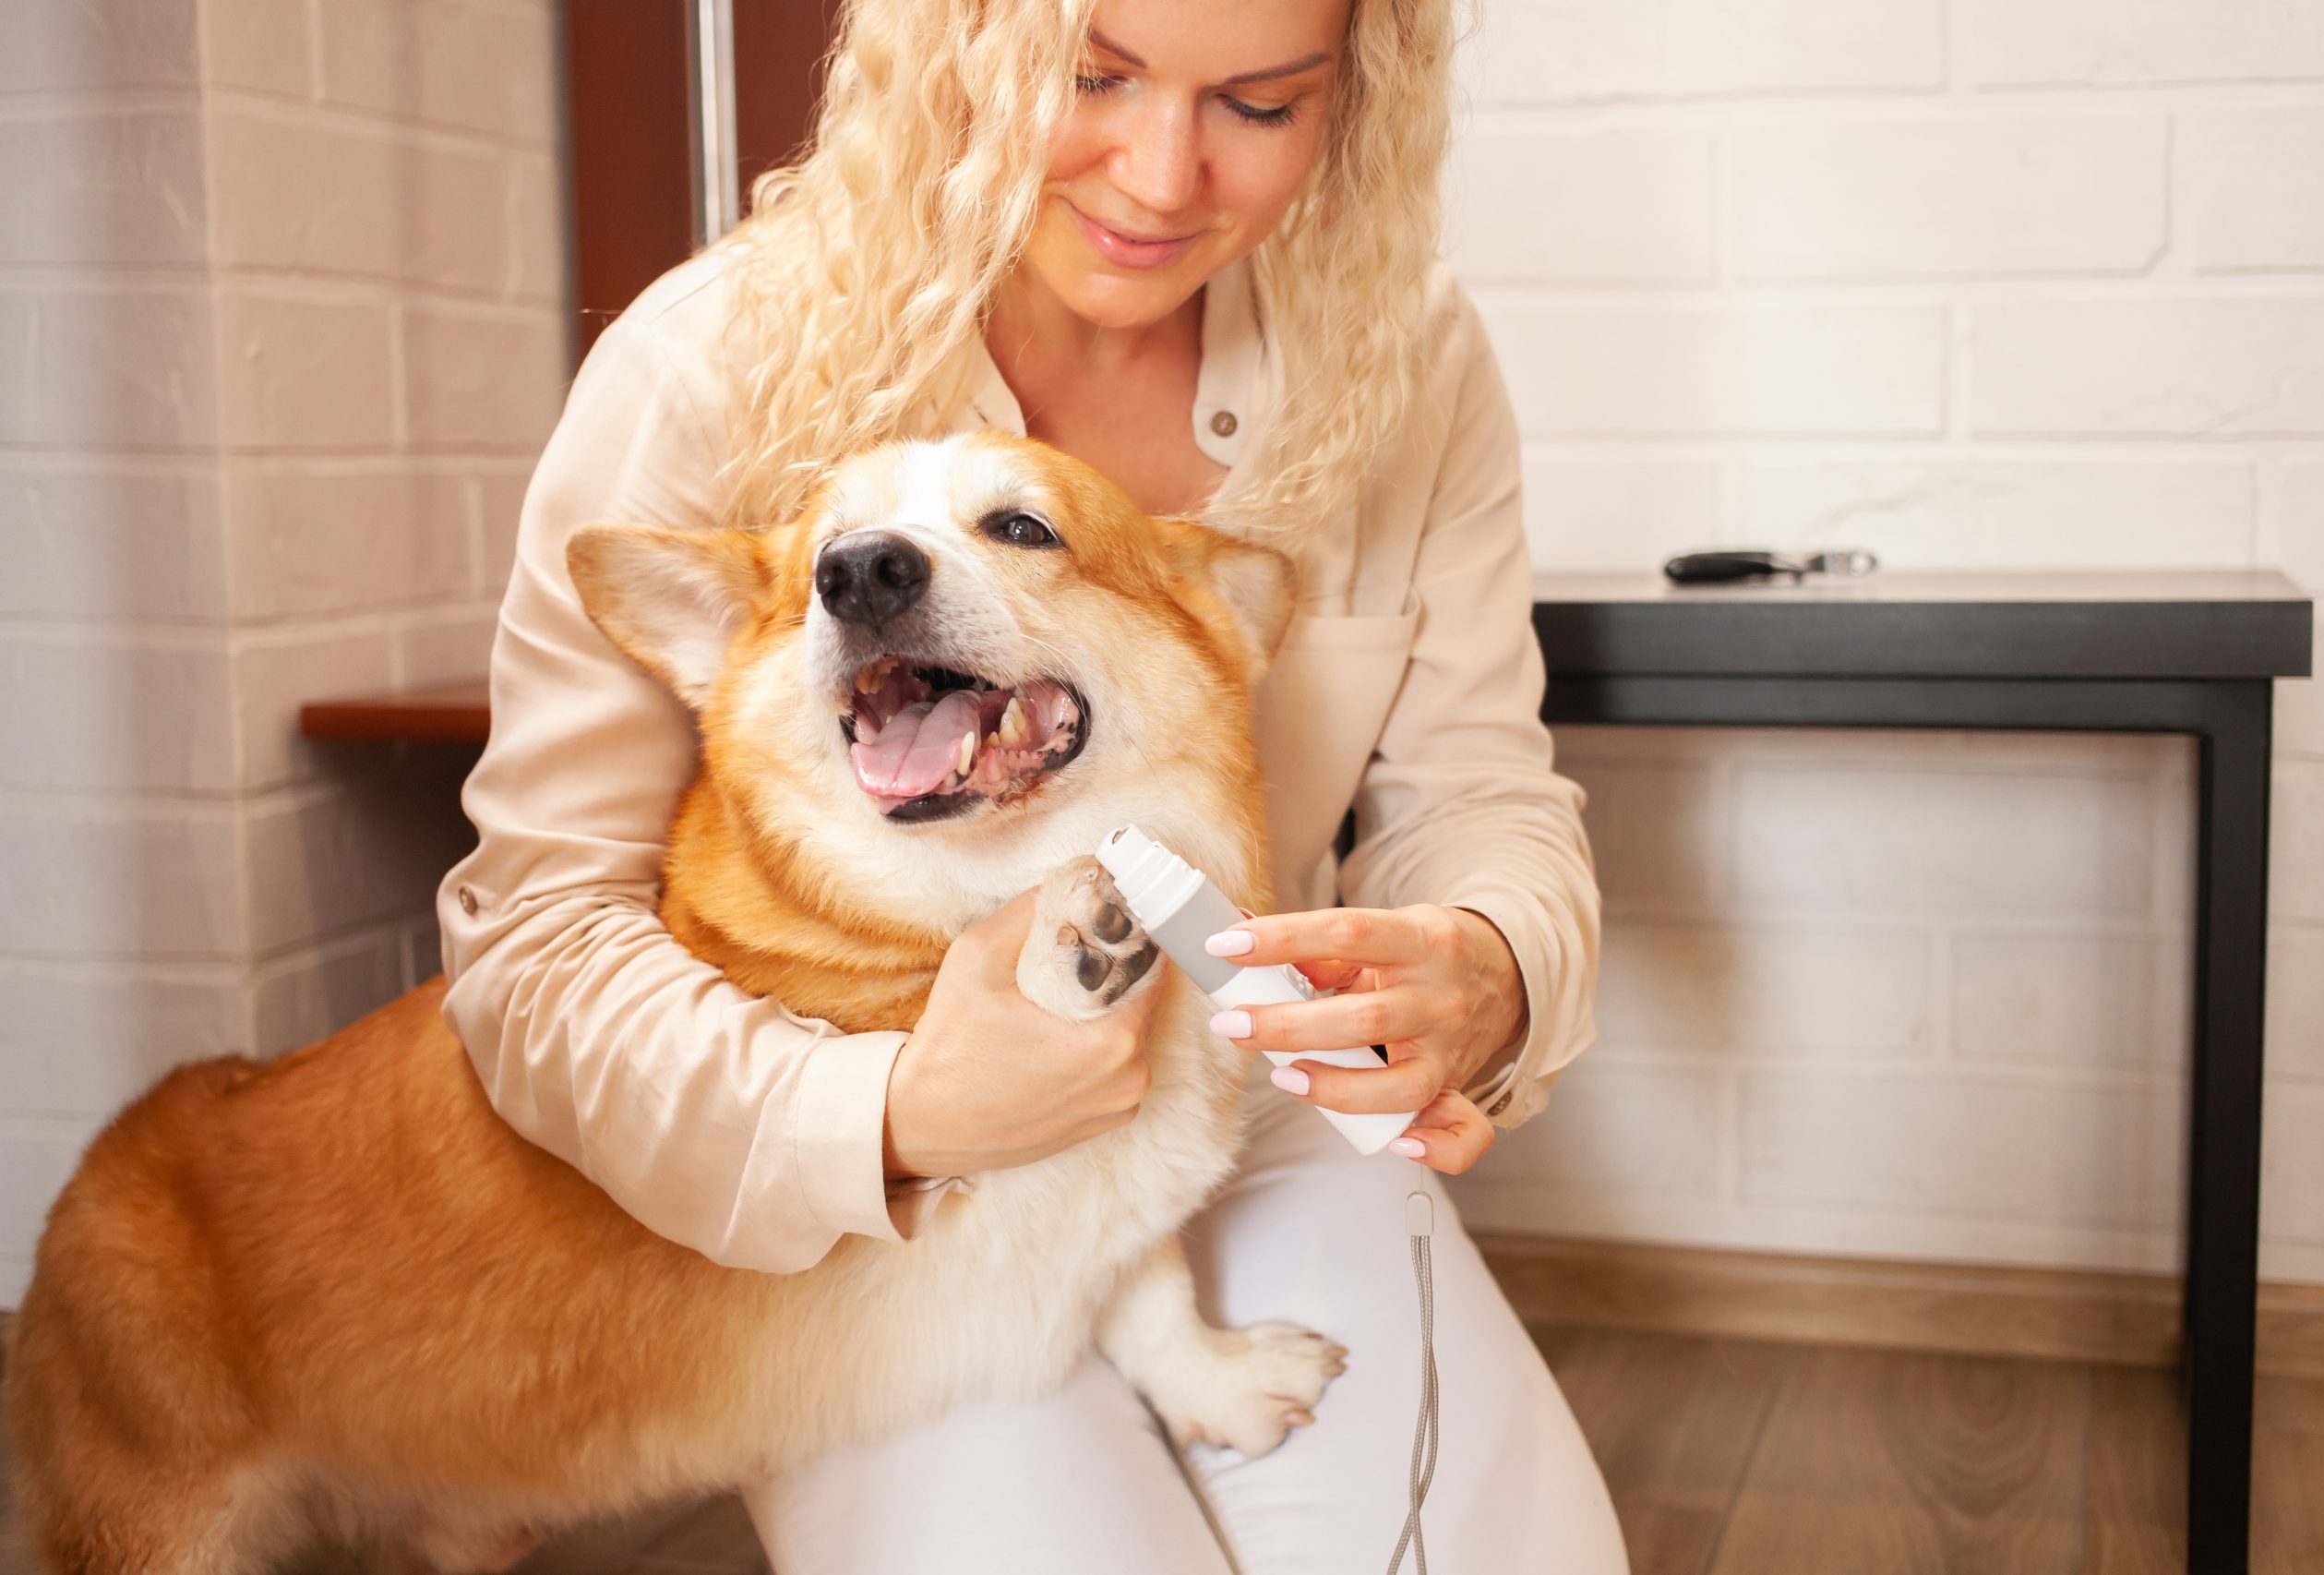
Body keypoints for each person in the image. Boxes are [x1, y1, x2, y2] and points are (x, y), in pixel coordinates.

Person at [436, 0, 1626, 1567]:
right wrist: (888, 1112)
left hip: (1236, 1097)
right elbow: (536, 955)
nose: (1158, 175)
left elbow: (1482, 791)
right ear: (960, 42)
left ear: (1356, 97)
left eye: (1259, 105)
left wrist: (1493, 963)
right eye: (1093, 77)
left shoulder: (1403, 347)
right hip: (869, 1174)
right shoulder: (698, 367)